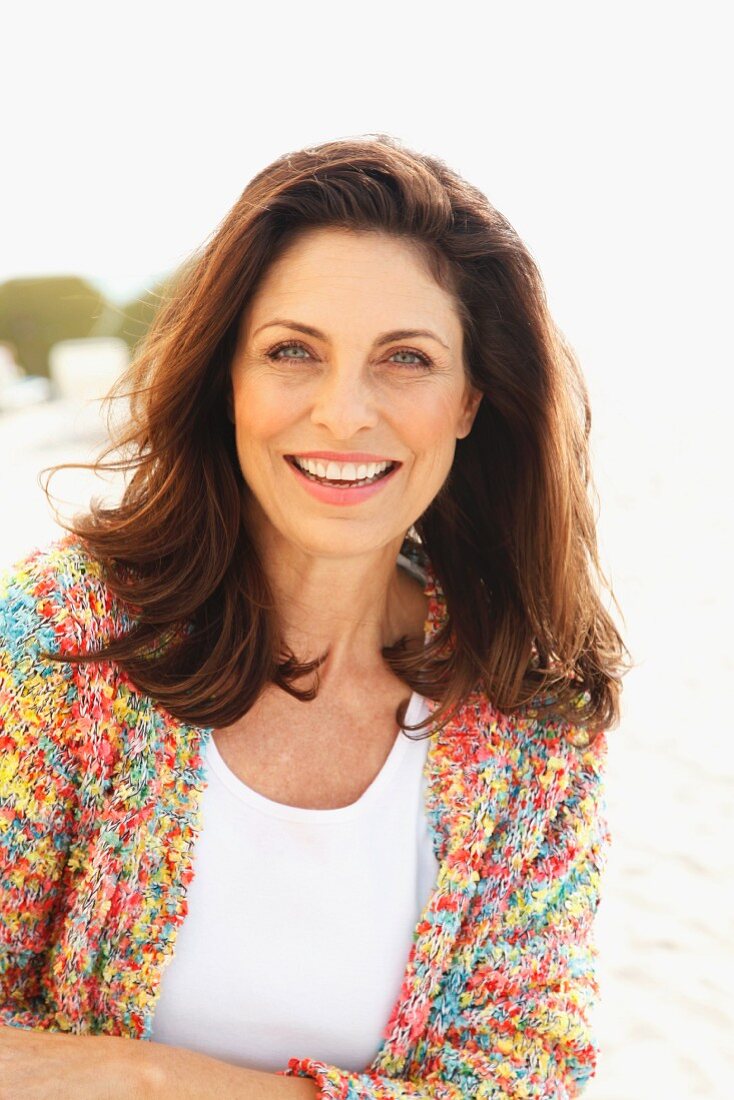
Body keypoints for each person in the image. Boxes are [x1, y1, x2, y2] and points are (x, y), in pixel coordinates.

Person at [0, 134, 627, 1098]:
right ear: (228, 378)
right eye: (293, 351)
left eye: (406, 359)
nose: (343, 413)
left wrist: (146, 1083)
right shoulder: (61, 638)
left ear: (471, 399)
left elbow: (527, 1078)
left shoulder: (527, 716)